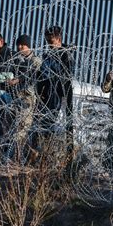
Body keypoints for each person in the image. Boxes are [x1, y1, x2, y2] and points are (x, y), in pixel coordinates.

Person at [34, 26, 74, 163]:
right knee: (48, 122)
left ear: (59, 39)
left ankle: (69, 154)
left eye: (51, 41)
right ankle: (46, 154)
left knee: (68, 124)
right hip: (49, 93)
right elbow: (42, 75)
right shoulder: (47, 54)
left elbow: (67, 74)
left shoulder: (66, 53)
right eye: (47, 41)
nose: (48, 45)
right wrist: (40, 91)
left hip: (63, 93)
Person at [1, 34, 42, 160]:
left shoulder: (36, 61)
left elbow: (32, 75)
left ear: (28, 46)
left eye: (22, 45)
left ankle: (15, 156)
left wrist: (17, 80)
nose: (19, 47)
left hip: (28, 98)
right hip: (16, 97)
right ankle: (13, 154)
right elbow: (9, 71)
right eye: (18, 45)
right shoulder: (17, 59)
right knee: (8, 123)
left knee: (22, 127)